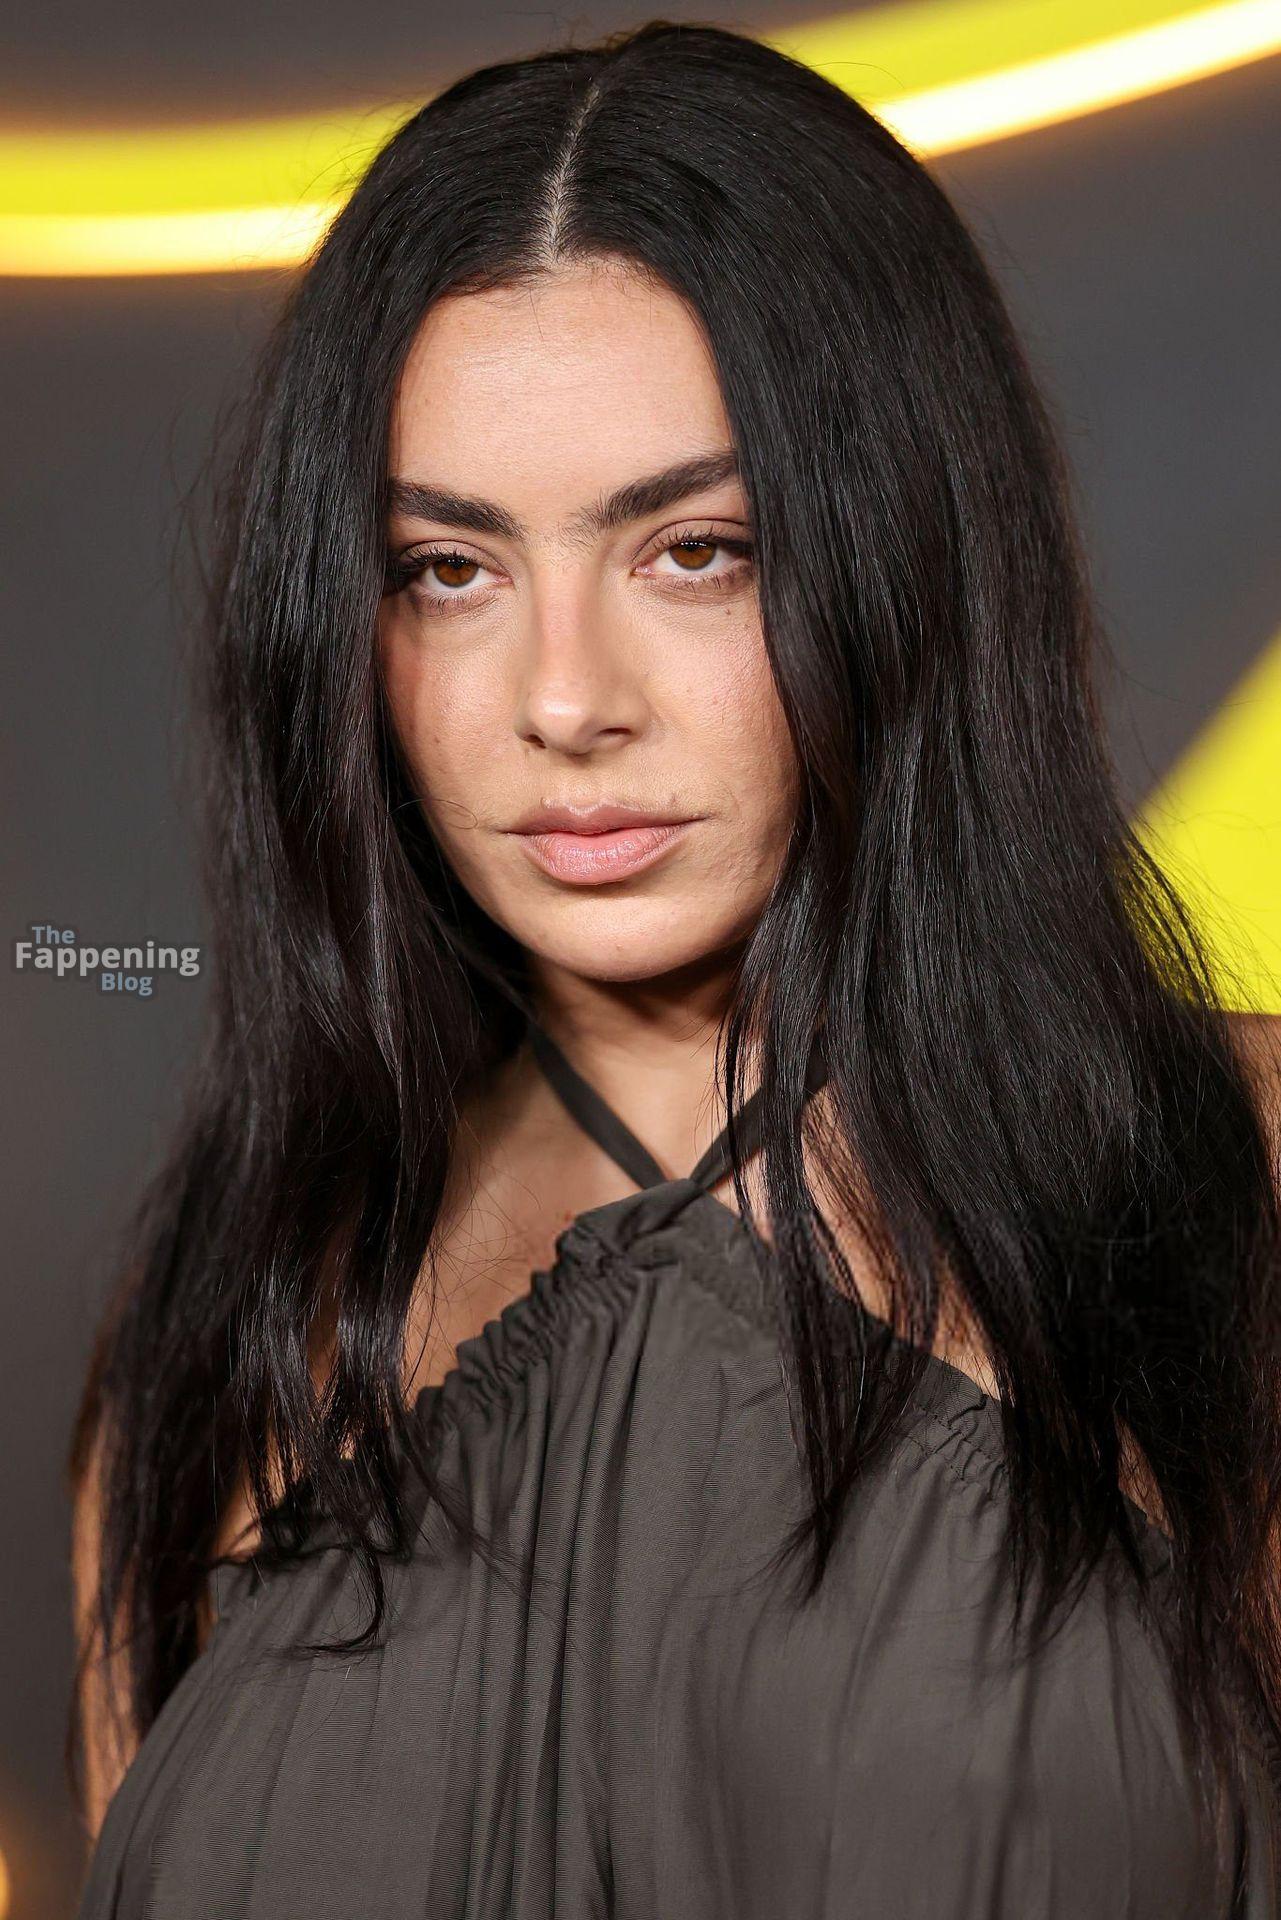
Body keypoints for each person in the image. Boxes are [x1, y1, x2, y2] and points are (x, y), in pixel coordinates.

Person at [68, 19, 1281, 1916]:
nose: (565, 701)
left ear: (904, 555)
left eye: (695, 550)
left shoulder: (1224, 1174)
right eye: (449, 570)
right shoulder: (242, 1312)